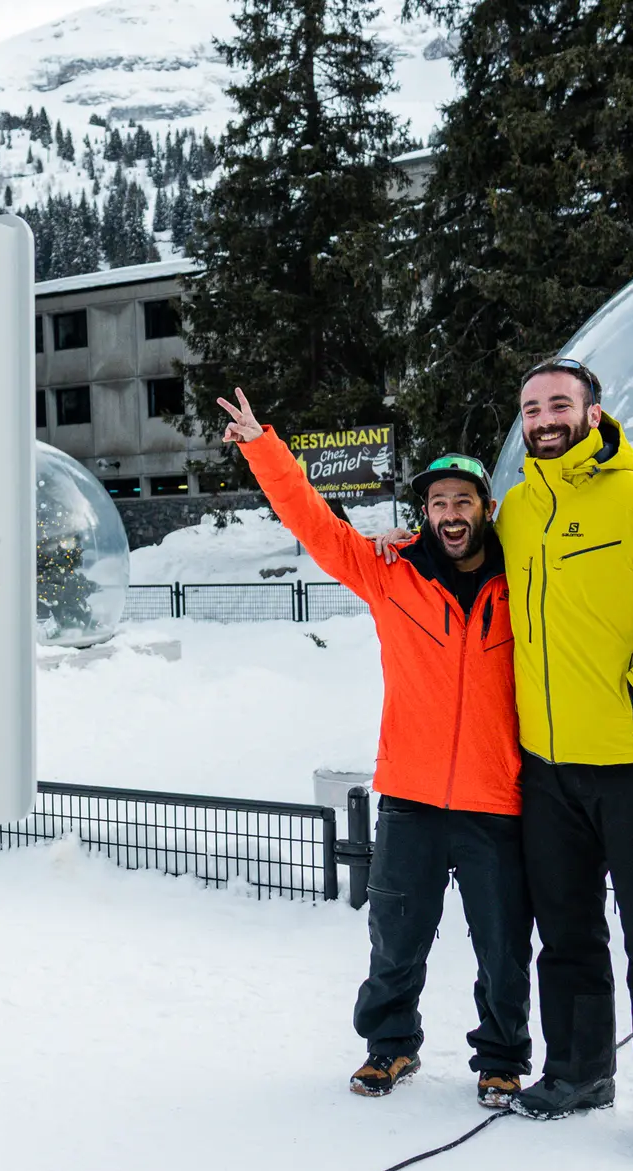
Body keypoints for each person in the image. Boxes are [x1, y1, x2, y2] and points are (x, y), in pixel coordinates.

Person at [218, 387, 532, 1107]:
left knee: (504, 948)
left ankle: (502, 1059)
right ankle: (389, 1049)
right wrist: (262, 446)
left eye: (463, 502)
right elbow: (317, 526)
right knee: (395, 940)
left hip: (496, 800)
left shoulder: (523, 585)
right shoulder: (391, 577)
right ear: (424, 513)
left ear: (486, 506)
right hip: (412, 799)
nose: (450, 516)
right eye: (437, 504)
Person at [494, 358, 633, 1156]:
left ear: (593, 411)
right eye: (532, 406)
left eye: (558, 404)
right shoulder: (516, 510)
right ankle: (579, 1071)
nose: (544, 417)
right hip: (547, 768)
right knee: (567, 932)